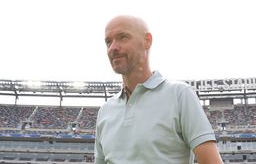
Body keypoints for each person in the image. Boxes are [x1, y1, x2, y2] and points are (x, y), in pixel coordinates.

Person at [94, 15, 224, 164]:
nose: (113, 48)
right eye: (108, 41)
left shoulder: (180, 95)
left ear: (147, 41)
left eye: (123, 37)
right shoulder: (105, 110)